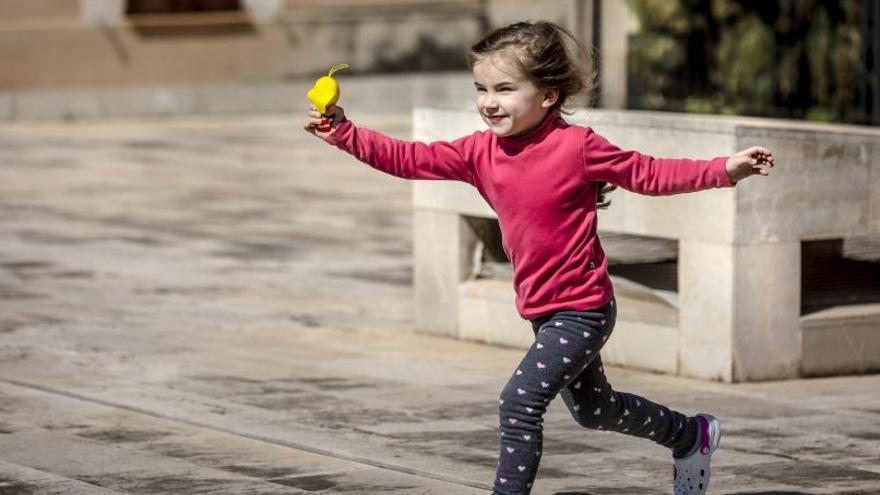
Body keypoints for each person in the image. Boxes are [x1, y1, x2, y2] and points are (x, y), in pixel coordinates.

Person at [304, 20, 773, 495]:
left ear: (548, 95)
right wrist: (344, 131)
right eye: (481, 88)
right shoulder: (478, 152)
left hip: (583, 309)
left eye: (505, 88)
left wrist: (726, 169)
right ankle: (691, 435)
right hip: (542, 308)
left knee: (519, 402)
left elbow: (649, 173)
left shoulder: (577, 147)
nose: (489, 101)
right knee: (595, 411)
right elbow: (407, 158)